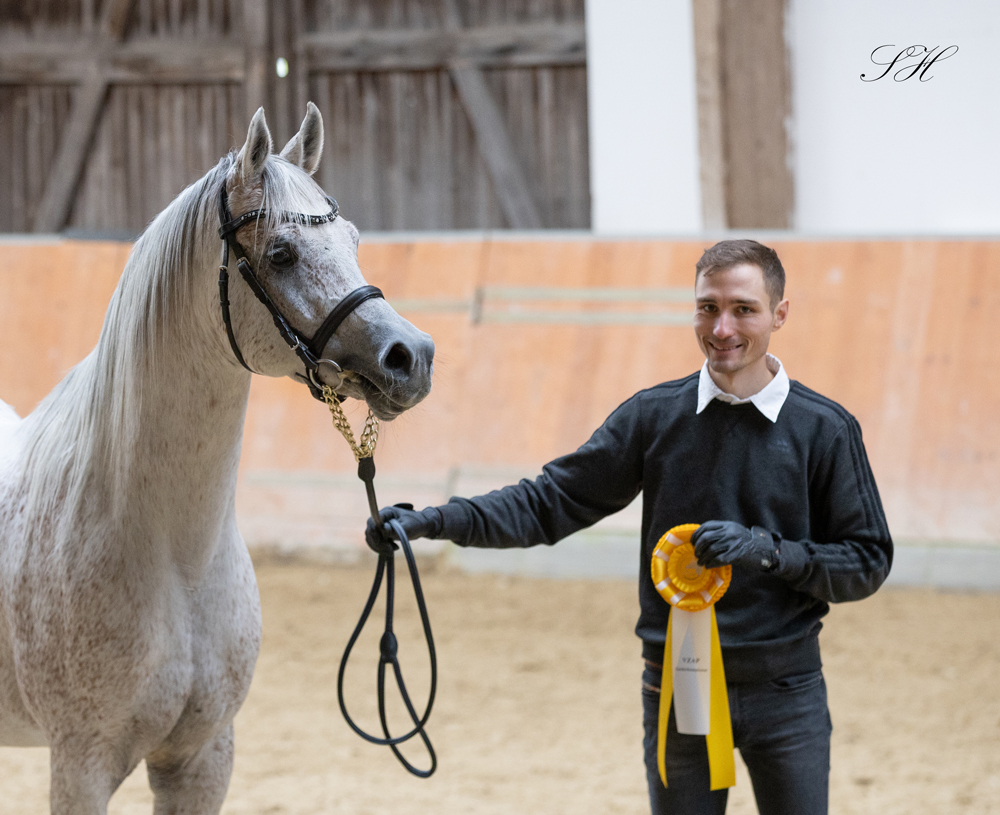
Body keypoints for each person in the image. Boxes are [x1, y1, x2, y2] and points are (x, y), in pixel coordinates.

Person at [366, 239, 892, 815]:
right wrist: (434, 521)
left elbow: (866, 561)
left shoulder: (825, 429)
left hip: (787, 693)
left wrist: (768, 552)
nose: (722, 328)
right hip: (677, 688)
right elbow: (549, 502)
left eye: (743, 309)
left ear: (779, 314)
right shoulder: (653, 417)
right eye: (708, 308)